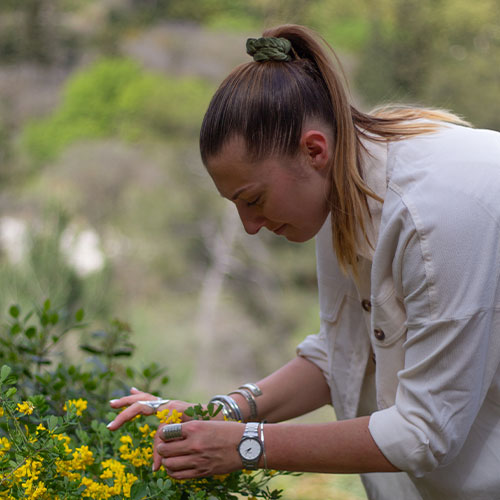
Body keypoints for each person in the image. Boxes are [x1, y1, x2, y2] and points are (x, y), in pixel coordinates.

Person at [107, 24, 500, 500]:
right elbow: (341, 356)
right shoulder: (342, 192)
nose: (250, 225)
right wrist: (219, 414)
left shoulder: (436, 215)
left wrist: (248, 445)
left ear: (314, 150)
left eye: (253, 199)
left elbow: (424, 433)